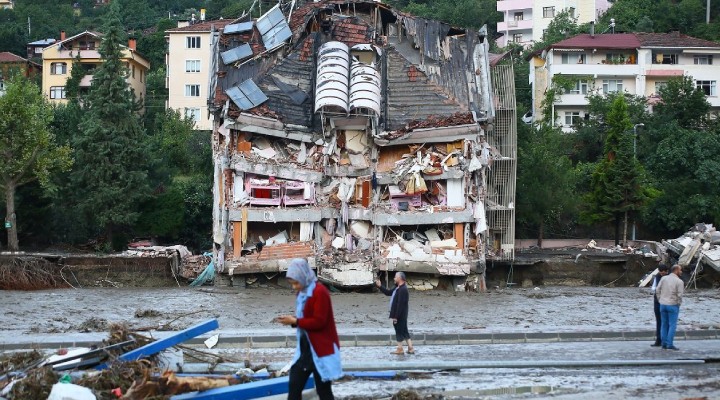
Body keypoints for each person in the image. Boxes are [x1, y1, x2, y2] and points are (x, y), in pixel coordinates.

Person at [276, 258, 342, 400]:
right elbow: (305, 318)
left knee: (324, 391)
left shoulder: (320, 292)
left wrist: (295, 321)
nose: (294, 287)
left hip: (320, 349)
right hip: (306, 348)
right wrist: (293, 321)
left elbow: (319, 322)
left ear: (304, 277)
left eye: (296, 282)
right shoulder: (302, 292)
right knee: (294, 387)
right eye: (292, 283)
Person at [375, 272, 415, 355]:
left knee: (399, 331)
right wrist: (380, 286)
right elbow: (388, 293)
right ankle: (410, 348)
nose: (394, 278)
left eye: (395, 277)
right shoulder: (398, 287)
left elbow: (400, 305)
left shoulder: (403, 289)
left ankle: (400, 349)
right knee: (404, 331)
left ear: (400, 278)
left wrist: (396, 316)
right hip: (401, 314)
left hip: (400, 314)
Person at [656, 264, 684, 351]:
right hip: (673, 304)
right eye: (680, 270)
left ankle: (664, 343)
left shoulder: (664, 278)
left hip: (662, 304)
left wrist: (660, 299)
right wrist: (678, 304)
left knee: (664, 324)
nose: (681, 271)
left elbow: (657, 290)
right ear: (676, 270)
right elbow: (680, 295)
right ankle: (670, 344)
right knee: (672, 325)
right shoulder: (679, 282)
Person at [650, 264, 669, 347]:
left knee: (666, 322)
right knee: (659, 321)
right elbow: (653, 288)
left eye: (664, 273)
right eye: (661, 273)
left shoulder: (670, 278)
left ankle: (666, 340)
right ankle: (658, 340)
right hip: (657, 302)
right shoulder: (657, 277)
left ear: (666, 271)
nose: (662, 274)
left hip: (666, 301)